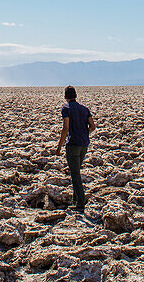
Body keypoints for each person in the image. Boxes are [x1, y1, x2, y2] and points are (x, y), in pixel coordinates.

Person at [54, 85, 95, 213]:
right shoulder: (84, 109)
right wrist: (84, 133)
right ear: (75, 96)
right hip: (84, 144)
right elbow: (93, 126)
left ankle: (80, 204)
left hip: (73, 145)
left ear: (65, 97)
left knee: (75, 174)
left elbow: (65, 128)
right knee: (76, 171)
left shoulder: (66, 108)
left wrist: (59, 146)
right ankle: (75, 200)